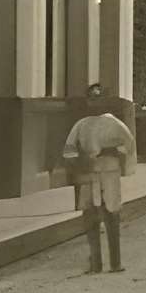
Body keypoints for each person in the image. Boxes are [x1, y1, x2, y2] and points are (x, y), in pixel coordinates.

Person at [61, 82, 136, 274]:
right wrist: (79, 161)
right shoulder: (81, 125)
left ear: (106, 101)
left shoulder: (115, 124)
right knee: (90, 216)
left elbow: (129, 146)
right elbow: (68, 149)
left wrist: (112, 152)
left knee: (112, 215)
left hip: (109, 173)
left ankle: (115, 262)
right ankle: (95, 262)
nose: (95, 103)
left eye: (99, 98)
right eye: (92, 99)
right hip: (89, 174)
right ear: (87, 101)